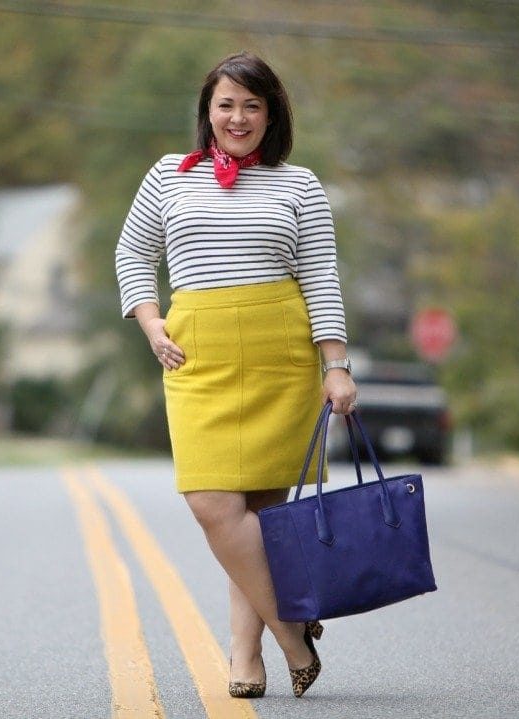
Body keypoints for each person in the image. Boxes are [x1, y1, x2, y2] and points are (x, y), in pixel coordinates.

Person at [115, 52, 357, 699]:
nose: (238, 117)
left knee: (262, 515)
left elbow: (321, 277)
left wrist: (336, 365)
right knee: (214, 506)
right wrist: (150, 321)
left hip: (280, 353)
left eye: (253, 105)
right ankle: (292, 629)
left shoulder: (299, 185)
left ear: (271, 113)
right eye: (227, 104)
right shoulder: (169, 175)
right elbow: (133, 250)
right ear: (208, 111)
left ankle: (244, 656)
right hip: (197, 355)